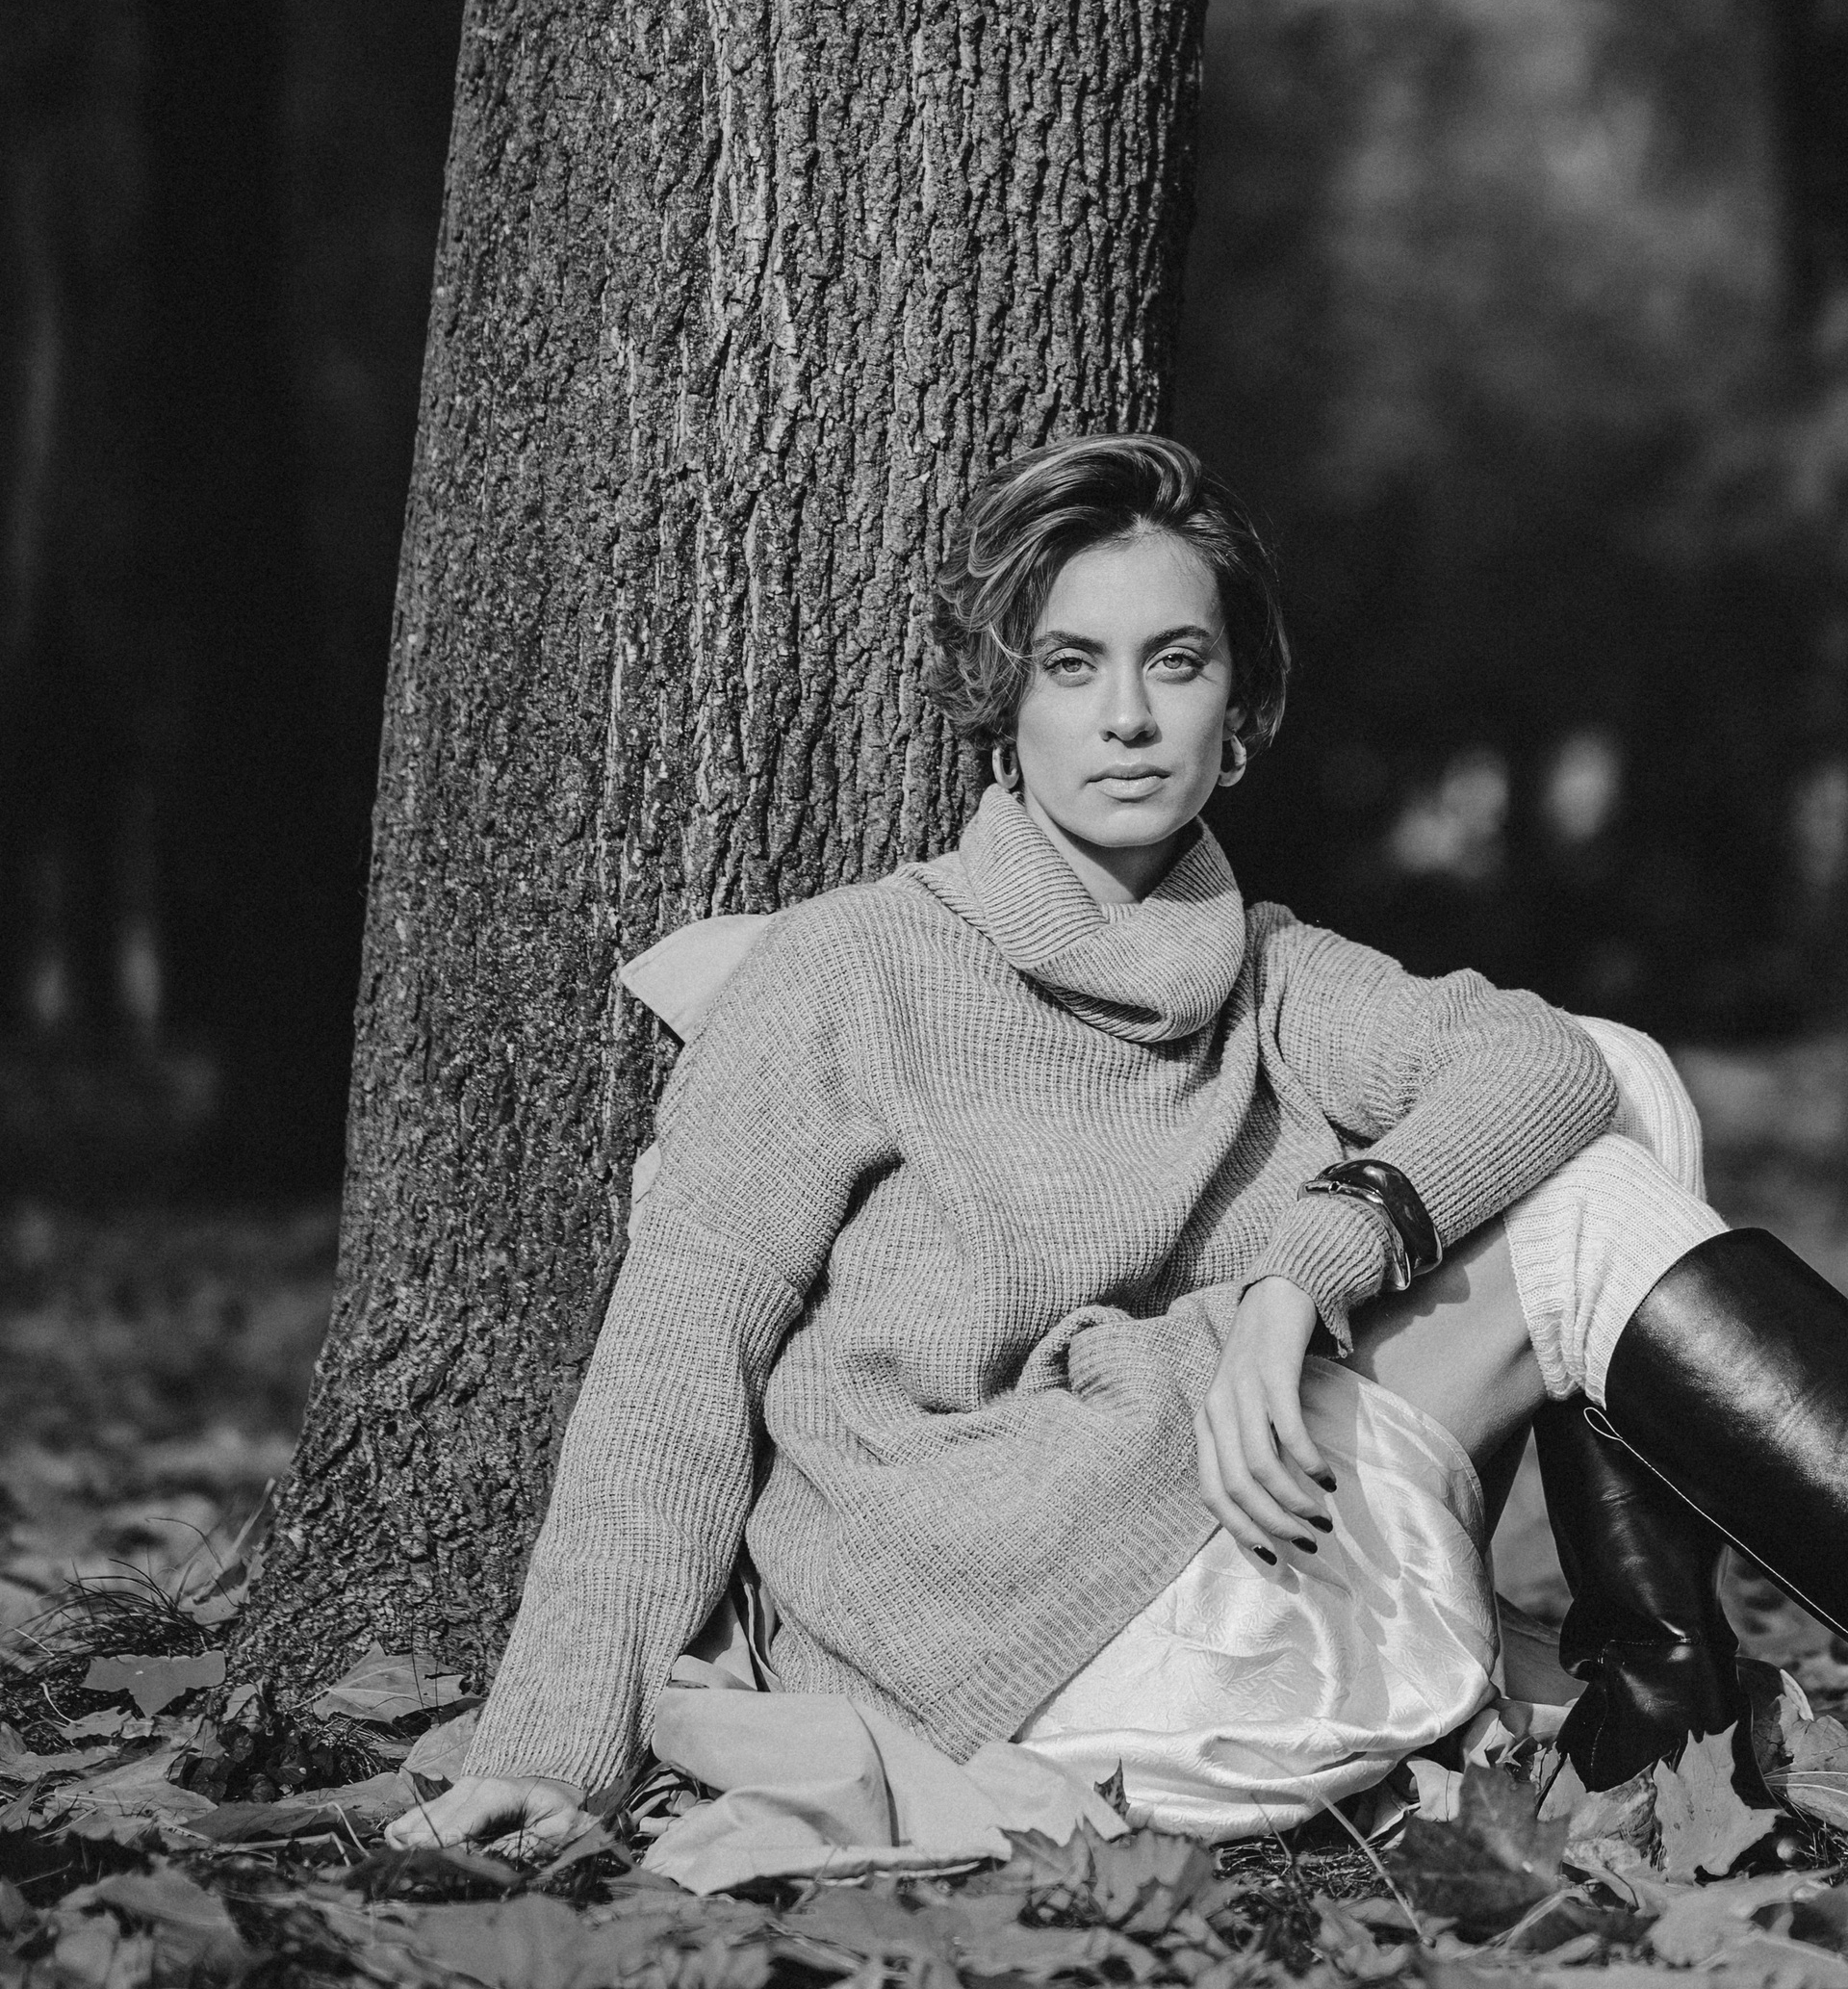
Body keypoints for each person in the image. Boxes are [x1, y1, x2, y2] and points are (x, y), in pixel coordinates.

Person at [389, 433, 1848, 1855]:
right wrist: (551, 1754)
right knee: (1596, 1165)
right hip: (996, 1631)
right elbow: (674, 1367)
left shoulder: (1274, 974)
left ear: (1240, 714)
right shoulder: (852, 970)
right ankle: (1666, 1716)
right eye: (1072, 665)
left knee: (1615, 1078)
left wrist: (1299, 1276)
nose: (1128, 718)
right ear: (1005, 705)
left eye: (1178, 662)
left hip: (1246, 1571)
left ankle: (1666, 1715)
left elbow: (1548, 1066)